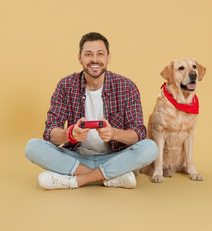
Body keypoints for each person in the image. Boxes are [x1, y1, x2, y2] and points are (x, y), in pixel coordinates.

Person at [25, 32, 158, 189]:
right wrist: (70, 134)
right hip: (76, 157)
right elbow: (50, 134)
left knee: (150, 148)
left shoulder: (127, 87)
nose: (94, 59)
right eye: (88, 54)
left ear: (108, 57)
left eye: (100, 54)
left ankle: (76, 180)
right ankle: (108, 178)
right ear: (80, 58)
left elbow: (138, 134)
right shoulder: (65, 86)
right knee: (32, 147)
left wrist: (114, 133)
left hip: (114, 157)